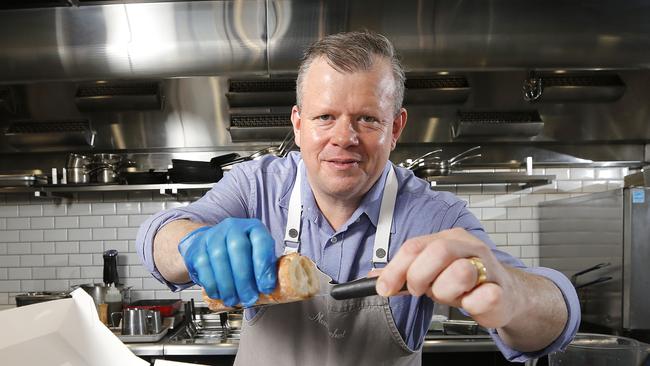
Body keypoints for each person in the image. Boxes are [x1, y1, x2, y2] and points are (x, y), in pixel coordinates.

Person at [137, 31, 579, 365]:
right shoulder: (257, 185)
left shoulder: (434, 215)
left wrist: (513, 294)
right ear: (297, 123)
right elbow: (160, 237)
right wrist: (189, 245)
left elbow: (554, 320)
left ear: (397, 127)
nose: (343, 139)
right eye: (325, 117)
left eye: (367, 119)